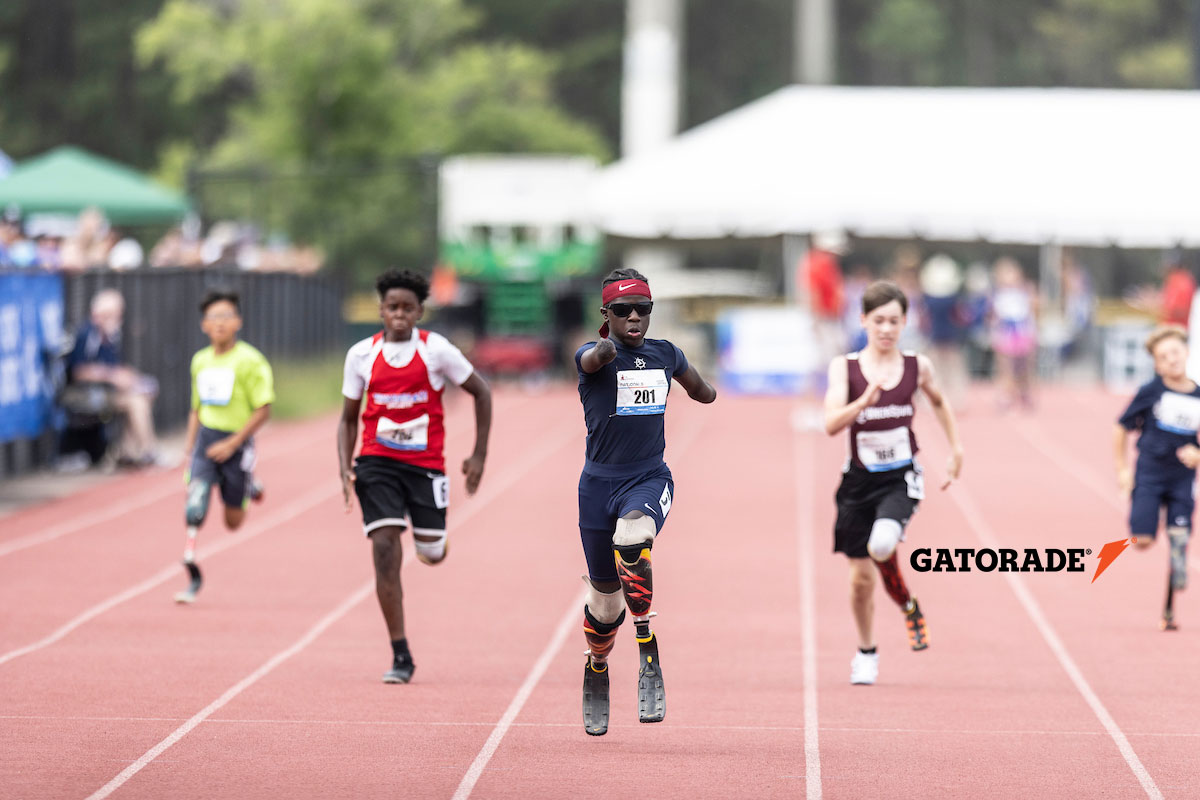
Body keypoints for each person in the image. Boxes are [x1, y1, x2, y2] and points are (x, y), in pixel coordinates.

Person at [575, 268, 716, 736]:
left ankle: (646, 640)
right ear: (606, 314)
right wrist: (602, 351)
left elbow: (704, 392)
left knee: (634, 535)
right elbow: (591, 361)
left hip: (648, 478)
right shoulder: (592, 355)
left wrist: (694, 382)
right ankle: (597, 664)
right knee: (604, 607)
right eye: (622, 310)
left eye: (642, 310)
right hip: (597, 488)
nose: (633, 317)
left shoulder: (665, 353)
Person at [337, 268, 492, 684]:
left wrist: (478, 454)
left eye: (408, 307)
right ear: (381, 311)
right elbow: (348, 419)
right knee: (385, 550)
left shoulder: (437, 351)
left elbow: (482, 392)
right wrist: (343, 464)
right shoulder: (361, 356)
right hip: (376, 462)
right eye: (392, 307)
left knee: (433, 553)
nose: (400, 315)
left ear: (420, 311)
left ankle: (433, 540)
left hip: (425, 466)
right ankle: (400, 653)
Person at [824, 280, 964, 686]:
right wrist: (861, 404)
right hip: (856, 484)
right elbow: (831, 424)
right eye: (879, 320)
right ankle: (869, 648)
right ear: (864, 319)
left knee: (882, 543)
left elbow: (938, 401)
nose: (887, 329)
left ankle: (903, 604)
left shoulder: (918, 366)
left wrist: (956, 449)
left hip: (901, 478)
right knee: (860, 581)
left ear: (906, 322)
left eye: (895, 321)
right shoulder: (845, 368)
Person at [175, 289, 275, 603]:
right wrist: (189, 448)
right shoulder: (200, 361)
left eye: (226, 316)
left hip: (238, 442)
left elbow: (264, 409)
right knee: (196, 506)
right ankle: (190, 566)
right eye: (213, 317)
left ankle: (246, 487)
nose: (219, 323)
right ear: (204, 325)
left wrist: (233, 444)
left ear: (238, 322)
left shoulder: (251, 361)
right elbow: (196, 407)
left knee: (233, 523)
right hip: (207, 438)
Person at [1113, 326, 1199, 630]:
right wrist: (1122, 470)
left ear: (1187, 352)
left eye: (1175, 352)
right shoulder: (1151, 391)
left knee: (1179, 531)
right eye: (1164, 357)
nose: (1172, 360)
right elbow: (1121, 427)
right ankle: (1156, 527)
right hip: (1149, 473)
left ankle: (1178, 548)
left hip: (1182, 478)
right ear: (1157, 365)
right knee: (1142, 541)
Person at [65, 289, 161, 466]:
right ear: (97, 314)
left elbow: (114, 367)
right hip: (83, 395)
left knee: (143, 394)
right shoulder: (86, 334)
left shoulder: (110, 336)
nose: (117, 319)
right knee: (136, 402)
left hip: (106, 392)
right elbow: (79, 371)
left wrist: (129, 376)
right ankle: (148, 451)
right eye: (112, 314)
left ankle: (128, 450)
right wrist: (111, 376)